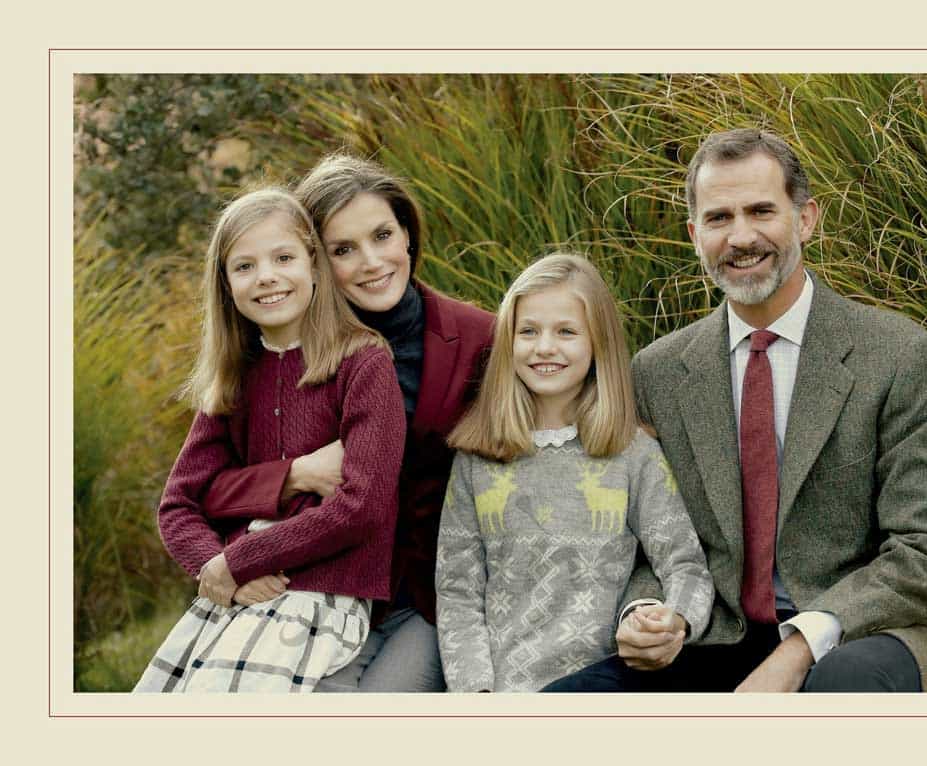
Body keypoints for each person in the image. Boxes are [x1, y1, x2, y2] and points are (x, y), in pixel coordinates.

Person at [544, 128, 927, 693]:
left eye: (762, 211)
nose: (741, 236)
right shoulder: (658, 371)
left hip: (868, 632)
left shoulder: (896, 355)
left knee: (839, 690)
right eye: (719, 218)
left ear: (806, 219)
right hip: (715, 632)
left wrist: (797, 651)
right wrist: (645, 612)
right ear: (695, 235)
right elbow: (649, 539)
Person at [194, 155, 495, 692]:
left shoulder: (480, 339)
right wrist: (294, 474)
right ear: (314, 260)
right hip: (309, 592)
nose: (372, 261)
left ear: (408, 235)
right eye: (343, 250)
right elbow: (200, 489)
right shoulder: (277, 355)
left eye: (383, 235)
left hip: (430, 596)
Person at [134, 188, 406, 692]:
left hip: (324, 596)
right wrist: (222, 574)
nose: (266, 276)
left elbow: (361, 507)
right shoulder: (235, 377)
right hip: (244, 594)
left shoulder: (363, 364)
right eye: (245, 266)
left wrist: (237, 560)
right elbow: (178, 505)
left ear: (315, 265)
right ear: (225, 285)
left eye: (283, 257)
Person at [435, 253, 713, 692]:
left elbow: (685, 564)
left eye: (566, 332)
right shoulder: (477, 459)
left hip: (600, 684)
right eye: (528, 331)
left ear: (597, 343)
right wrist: (477, 696)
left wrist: (671, 620)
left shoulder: (632, 453)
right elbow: (458, 594)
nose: (545, 347)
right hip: (502, 693)